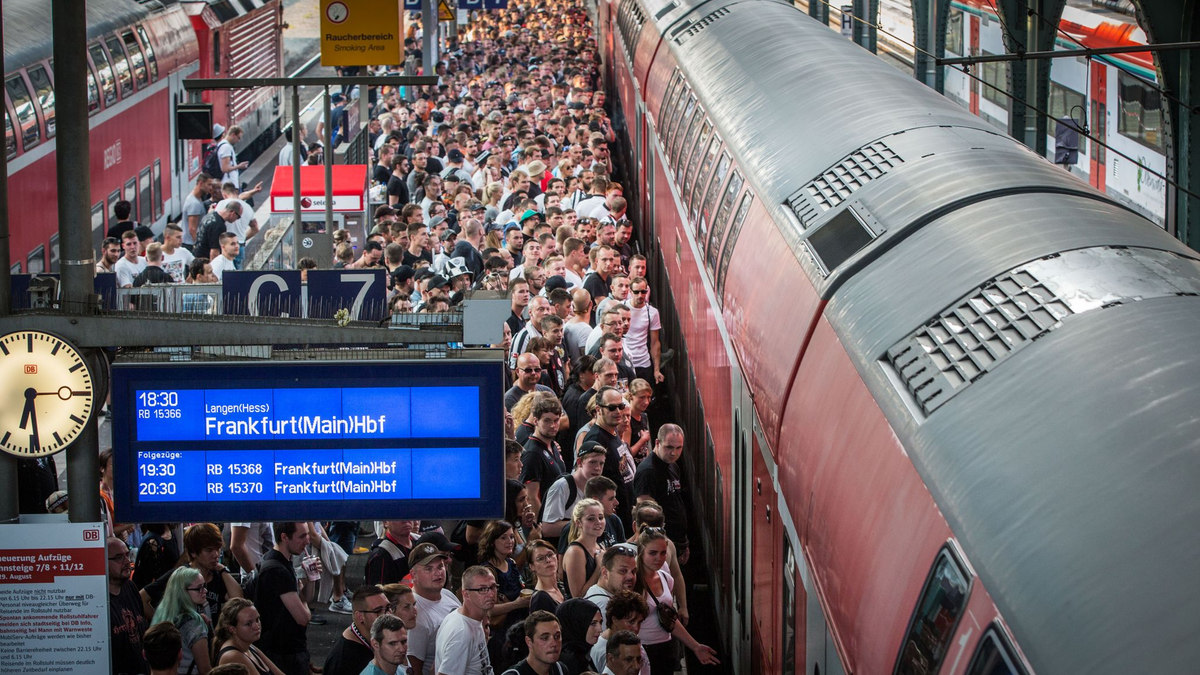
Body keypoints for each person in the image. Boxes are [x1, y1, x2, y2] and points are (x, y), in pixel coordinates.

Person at [634, 530, 718, 674]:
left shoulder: (665, 578)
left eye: (663, 553)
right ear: (641, 552)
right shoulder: (632, 582)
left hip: (666, 648)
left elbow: (669, 618)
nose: (659, 558)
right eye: (652, 553)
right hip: (641, 650)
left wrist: (695, 646)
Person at [141, 523, 243, 622]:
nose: (215, 554)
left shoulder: (217, 576)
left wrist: (223, 570)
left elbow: (238, 601)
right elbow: (142, 598)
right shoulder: (180, 575)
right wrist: (164, 624)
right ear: (193, 552)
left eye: (218, 549)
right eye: (209, 550)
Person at [255, 522, 317, 675]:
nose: (307, 541)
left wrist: (311, 578)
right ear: (284, 537)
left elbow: (307, 598)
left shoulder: (278, 560)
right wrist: (300, 597)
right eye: (302, 536)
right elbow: (303, 618)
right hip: (284, 654)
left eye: (308, 534)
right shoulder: (278, 571)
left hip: (286, 650)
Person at [632, 425, 689, 566]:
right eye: (669, 447)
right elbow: (645, 517)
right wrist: (665, 547)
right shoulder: (648, 472)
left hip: (677, 543)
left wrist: (684, 542)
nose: (674, 453)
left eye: (679, 448)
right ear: (657, 443)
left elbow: (677, 503)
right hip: (663, 546)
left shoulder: (672, 465)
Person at [582, 387, 634, 531]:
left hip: (625, 512)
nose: (618, 411)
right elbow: (591, 481)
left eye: (620, 406)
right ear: (598, 410)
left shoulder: (613, 430)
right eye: (612, 408)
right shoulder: (596, 438)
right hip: (611, 517)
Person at [407, 542, 461, 675]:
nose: (438, 573)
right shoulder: (415, 614)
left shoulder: (447, 594)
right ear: (413, 575)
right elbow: (414, 669)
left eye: (440, 566)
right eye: (428, 569)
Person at [150, 567, 213, 674]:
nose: (205, 591)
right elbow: (205, 670)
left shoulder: (161, 615)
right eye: (199, 588)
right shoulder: (194, 623)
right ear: (183, 592)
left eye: (204, 586)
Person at [435, 565, 496, 675]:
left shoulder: (470, 619)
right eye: (482, 589)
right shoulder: (461, 633)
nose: (491, 594)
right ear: (466, 594)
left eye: (493, 587)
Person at [322, 586, 393, 675]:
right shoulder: (345, 662)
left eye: (388, 608)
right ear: (360, 616)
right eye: (378, 611)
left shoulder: (370, 636)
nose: (387, 615)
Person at [479, 521, 531, 640]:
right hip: (503, 632)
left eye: (511, 537)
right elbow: (488, 609)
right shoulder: (487, 571)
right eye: (503, 538)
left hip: (519, 626)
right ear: (492, 542)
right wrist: (516, 604)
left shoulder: (511, 563)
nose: (510, 541)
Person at [109, 536, 151, 675]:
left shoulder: (130, 586)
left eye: (127, 555)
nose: (127, 561)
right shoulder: (100, 603)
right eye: (119, 557)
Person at [212, 598, 285, 675]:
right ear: (232, 629)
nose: (257, 626)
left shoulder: (249, 646)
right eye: (249, 624)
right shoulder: (232, 655)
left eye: (257, 619)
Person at [590, 591, 648, 674]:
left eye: (639, 622)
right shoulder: (600, 651)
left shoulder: (632, 640)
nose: (636, 628)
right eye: (631, 622)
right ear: (615, 620)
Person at [562, 498, 606, 600]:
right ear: (578, 523)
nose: (598, 522)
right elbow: (578, 596)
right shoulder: (575, 551)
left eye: (601, 517)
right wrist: (599, 567)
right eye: (591, 519)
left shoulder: (600, 546)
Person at [583, 544, 638, 623]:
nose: (631, 577)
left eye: (633, 571)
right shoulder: (603, 604)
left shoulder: (607, 595)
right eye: (623, 571)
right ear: (605, 573)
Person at [501, 611, 565, 675]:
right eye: (545, 638)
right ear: (529, 642)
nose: (554, 644)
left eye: (557, 636)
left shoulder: (560, 669)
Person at [364, 519, 418, 588]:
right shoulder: (381, 556)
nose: (405, 520)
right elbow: (376, 592)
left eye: (408, 515)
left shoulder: (421, 541)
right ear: (386, 522)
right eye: (398, 517)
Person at [554, 598, 603, 675]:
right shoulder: (571, 661)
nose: (600, 629)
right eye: (593, 623)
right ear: (576, 625)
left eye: (600, 622)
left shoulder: (582, 652)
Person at [526, 539, 565, 615]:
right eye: (540, 558)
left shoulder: (561, 587)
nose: (548, 560)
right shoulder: (539, 599)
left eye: (550, 555)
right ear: (532, 566)